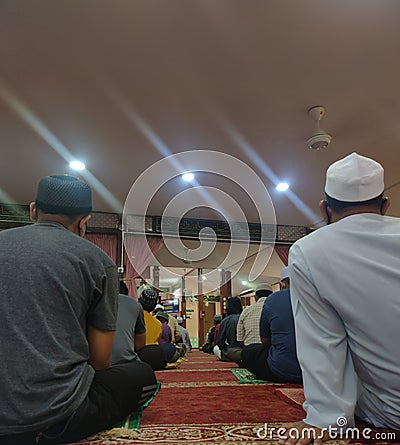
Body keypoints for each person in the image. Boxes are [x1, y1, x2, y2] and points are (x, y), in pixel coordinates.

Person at [0, 175, 157, 445]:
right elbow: (100, 361)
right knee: (142, 375)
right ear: (85, 221)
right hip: (56, 417)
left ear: (33, 210)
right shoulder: (97, 261)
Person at [283, 152, 400, 444]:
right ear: (385, 206)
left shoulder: (309, 251)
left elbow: (323, 341)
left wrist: (325, 418)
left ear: (324, 210)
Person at [241, 267, 302, 383]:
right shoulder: (321, 296)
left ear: (283, 284)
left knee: (249, 352)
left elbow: (265, 341)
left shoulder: (273, 299)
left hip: (282, 369)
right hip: (321, 371)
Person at [230, 283, 273, 365]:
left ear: (255, 297)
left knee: (230, 352)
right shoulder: (277, 309)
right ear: (272, 295)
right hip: (271, 355)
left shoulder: (246, 311)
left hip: (250, 355)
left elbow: (240, 340)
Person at [111, 281, 146, 365]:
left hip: (94, 366)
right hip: (127, 363)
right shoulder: (135, 305)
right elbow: (140, 344)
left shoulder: (93, 302)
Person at [137, 288, 168, 371]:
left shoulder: (133, 317)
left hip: (139, 358)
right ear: (154, 307)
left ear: (139, 301)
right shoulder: (158, 323)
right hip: (156, 358)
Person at [214, 296, 243, 361]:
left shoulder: (225, 320)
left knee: (215, 348)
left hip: (231, 353)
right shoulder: (245, 316)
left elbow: (220, 342)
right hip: (247, 352)